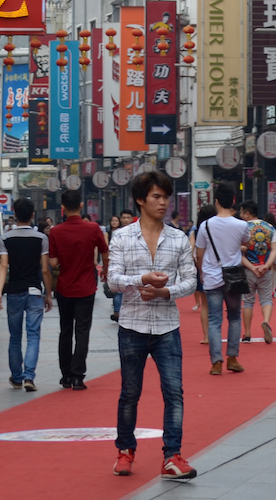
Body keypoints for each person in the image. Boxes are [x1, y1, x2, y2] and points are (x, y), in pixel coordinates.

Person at [108, 170, 198, 481]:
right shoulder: (121, 237)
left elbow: (191, 281)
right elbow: (112, 281)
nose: (163, 203)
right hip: (132, 325)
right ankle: (125, 452)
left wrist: (165, 291)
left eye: (166, 197)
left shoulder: (178, 238)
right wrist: (141, 280)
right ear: (140, 200)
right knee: (130, 393)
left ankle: (172, 456)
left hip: (167, 327)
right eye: (156, 197)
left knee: (174, 392)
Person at [48, 189, 108, 389]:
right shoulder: (93, 228)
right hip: (86, 287)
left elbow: (54, 262)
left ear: (63, 208)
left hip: (64, 287)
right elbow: (105, 252)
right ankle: (77, 376)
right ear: (81, 205)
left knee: (65, 331)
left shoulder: (56, 231)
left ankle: (65, 374)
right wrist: (105, 271)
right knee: (82, 331)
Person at [0, 197, 52, 391]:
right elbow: (45, 270)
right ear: (32, 215)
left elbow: (4, 266)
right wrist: (49, 294)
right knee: (33, 335)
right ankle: (29, 376)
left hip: (14, 292)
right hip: (35, 292)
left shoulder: (6, 238)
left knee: (14, 337)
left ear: (14, 213)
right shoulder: (41, 239)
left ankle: (17, 376)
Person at [194, 182, 249, 374]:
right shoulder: (242, 225)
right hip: (234, 277)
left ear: (216, 201)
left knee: (214, 320)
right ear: (233, 201)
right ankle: (232, 358)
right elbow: (245, 243)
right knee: (234, 317)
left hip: (212, 276)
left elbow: (199, 253)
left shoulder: (205, 225)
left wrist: (202, 271)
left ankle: (216, 361)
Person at [237, 201, 276, 343]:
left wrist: (252, 267)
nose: (241, 215)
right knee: (266, 299)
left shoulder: (242, 228)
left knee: (248, 302)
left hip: (249, 270)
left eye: (242, 212)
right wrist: (266, 265)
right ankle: (266, 321)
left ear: (248, 214)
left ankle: (247, 333)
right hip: (265, 270)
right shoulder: (270, 228)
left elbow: (237, 252)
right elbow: (275, 249)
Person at [190, 205, 216, 340]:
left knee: (205, 305)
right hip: (220, 270)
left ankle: (206, 336)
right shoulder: (219, 229)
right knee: (218, 305)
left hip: (204, 270)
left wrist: (199, 269)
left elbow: (193, 252)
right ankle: (216, 334)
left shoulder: (196, 231)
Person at [110, 210, 134, 321]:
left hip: (132, 263)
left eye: (128, 218)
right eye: (123, 218)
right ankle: (117, 312)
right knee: (119, 289)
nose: (125, 220)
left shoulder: (136, 231)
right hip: (120, 263)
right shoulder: (117, 233)